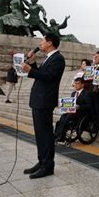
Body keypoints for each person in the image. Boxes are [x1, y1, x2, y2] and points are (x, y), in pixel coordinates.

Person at [21, 33, 66, 179]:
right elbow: (41, 74)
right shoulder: (48, 57)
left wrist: (30, 70)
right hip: (39, 99)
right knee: (40, 133)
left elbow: (49, 77)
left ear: (50, 42)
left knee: (45, 134)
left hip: (45, 100)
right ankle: (41, 161)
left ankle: (47, 166)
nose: (40, 43)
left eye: (42, 40)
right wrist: (33, 64)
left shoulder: (58, 58)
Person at [54, 77, 93, 142]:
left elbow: (89, 106)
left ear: (82, 84)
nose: (76, 85)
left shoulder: (87, 93)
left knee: (68, 117)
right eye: (75, 84)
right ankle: (58, 135)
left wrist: (79, 107)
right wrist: (64, 105)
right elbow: (70, 104)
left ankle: (61, 136)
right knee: (63, 116)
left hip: (81, 113)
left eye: (78, 83)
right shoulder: (73, 93)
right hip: (72, 112)